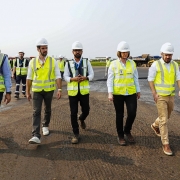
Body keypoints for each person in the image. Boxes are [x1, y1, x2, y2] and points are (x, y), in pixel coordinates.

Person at [26, 38, 62, 144]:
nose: (45, 50)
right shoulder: (32, 62)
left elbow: (58, 75)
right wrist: (27, 92)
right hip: (36, 90)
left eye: (46, 48)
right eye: (43, 48)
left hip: (49, 90)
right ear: (38, 49)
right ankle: (36, 135)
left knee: (48, 109)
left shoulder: (52, 61)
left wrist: (59, 89)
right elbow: (29, 77)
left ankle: (45, 125)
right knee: (36, 111)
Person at [148, 42, 180, 156]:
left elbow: (178, 78)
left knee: (167, 116)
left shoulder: (175, 65)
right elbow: (150, 79)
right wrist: (154, 93)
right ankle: (165, 143)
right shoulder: (156, 64)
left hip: (171, 96)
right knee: (164, 120)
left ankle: (155, 125)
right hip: (160, 96)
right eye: (166, 54)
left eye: (170, 55)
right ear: (162, 54)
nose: (168, 57)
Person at [107, 41, 140, 146]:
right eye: (123, 52)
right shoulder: (113, 64)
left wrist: (138, 90)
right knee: (119, 115)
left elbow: (135, 78)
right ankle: (120, 135)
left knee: (132, 113)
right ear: (119, 53)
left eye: (126, 52)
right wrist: (110, 93)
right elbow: (110, 80)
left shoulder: (132, 63)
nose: (125, 54)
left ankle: (127, 130)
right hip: (118, 93)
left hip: (130, 92)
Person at [64, 41, 94, 144]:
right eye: (75, 50)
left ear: (82, 51)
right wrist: (73, 79)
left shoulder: (86, 62)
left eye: (79, 50)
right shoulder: (68, 63)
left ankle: (81, 118)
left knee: (86, 110)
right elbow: (65, 76)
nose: (77, 52)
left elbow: (92, 74)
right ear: (72, 52)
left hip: (84, 91)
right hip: (73, 92)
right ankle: (75, 134)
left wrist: (86, 78)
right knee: (73, 113)